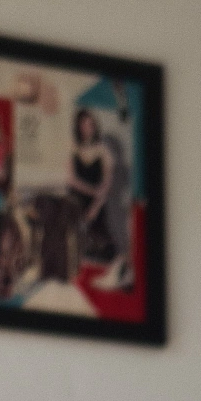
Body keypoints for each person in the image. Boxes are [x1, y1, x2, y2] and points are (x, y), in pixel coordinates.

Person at [66, 108, 132, 291]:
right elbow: (71, 179)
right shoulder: (73, 147)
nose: (88, 128)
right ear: (78, 127)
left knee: (106, 242)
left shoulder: (103, 150)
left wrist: (95, 205)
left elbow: (107, 185)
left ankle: (118, 274)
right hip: (76, 203)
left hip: (97, 205)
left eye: (91, 124)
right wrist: (92, 191)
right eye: (84, 124)